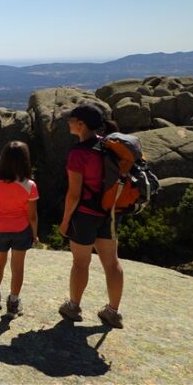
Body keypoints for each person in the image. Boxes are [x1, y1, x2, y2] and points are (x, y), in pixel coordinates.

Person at [58, 102, 125, 329]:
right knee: (111, 262)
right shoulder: (109, 148)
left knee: (80, 262)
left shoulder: (78, 153)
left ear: (81, 124)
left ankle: (73, 307)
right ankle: (113, 312)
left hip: (85, 214)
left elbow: (74, 194)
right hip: (109, 213)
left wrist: (65, 221)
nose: (68, 122)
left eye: (71, 119)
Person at [0, 141, 39, 318]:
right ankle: (13, 302)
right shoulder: (30, 185)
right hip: (21, 230)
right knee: (18, 267)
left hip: (0, 228)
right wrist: (35, 235)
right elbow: (32, 216)